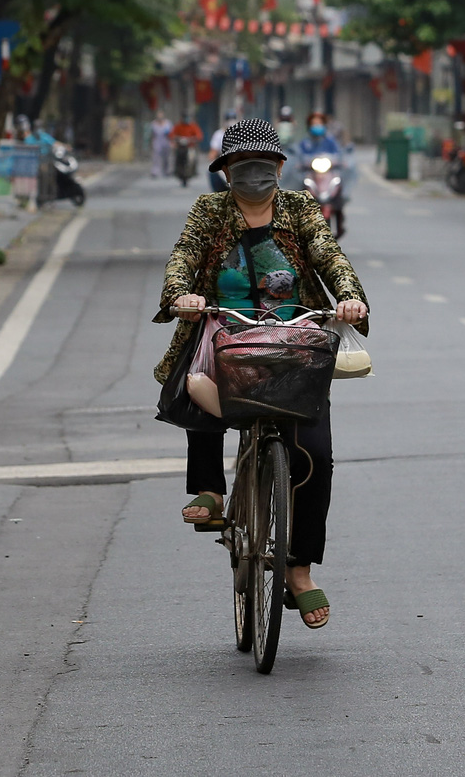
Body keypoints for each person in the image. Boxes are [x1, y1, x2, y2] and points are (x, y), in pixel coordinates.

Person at [155, 117, 369, 630]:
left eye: (263, 165)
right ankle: (210, 489)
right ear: (226, 171)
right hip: (224, 329)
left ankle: (298, 571)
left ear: (279, 167)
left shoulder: (299, 208)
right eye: (241, 166)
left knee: (315, 456)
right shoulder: (209, 210)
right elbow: (182, 257)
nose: (253, 175)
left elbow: (329, 254)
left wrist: (349, 297)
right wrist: (182, 296)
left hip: (295, 339)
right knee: (199, 375)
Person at [207, 108, 240, 192]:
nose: (231, 122)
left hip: (238, 163)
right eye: (229, 119)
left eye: (233, 119)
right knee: (212, 172)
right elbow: (213, 152)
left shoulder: (241, 133)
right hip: (223, 163)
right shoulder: (218, 135)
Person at [170, 117, 203, 185]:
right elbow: (172, 135)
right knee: (175, 156)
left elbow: (199, 136)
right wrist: (177, 139)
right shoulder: (178, 126)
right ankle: (176, 171)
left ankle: (193, 171)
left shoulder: (193, 126)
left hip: (190, 146)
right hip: (180, 147)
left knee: (192, 158)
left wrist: (192, 139)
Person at [149, 113, 173, 179]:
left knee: (166, 157)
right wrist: (151, 143)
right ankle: (155, 171)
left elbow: (171, 133)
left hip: (166, 141)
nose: (160, 118)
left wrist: (172, 142)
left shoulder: (168, 123)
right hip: (157, 142)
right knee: (156, 157)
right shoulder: (153, 124)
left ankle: (166, 171)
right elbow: (151, 134)